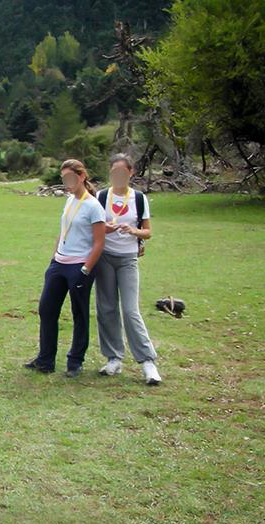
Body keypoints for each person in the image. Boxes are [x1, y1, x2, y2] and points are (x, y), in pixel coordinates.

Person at [25, 159, 106, 377]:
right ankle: (45, 360)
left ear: (82, 176)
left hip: (79, 266)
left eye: (70, 177)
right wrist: (54, 259)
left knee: (79, 313)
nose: (67, 182)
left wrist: (86, 269)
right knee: (47, 309)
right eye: (63, 179)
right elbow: (63, 231)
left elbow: (99, 242)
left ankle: (75, 361)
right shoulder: (70, 200)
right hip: (59, 264)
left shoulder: (93, 206)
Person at [95, 153, 162, 385]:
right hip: (104, 258)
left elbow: (148, 232)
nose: (118, 176)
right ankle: (113, 358)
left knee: (130, 310)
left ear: (131, 172)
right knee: (106, 308)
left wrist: (134, 231)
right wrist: (106, 229)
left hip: (128, 258)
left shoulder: (139, 198)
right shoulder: (102, 196)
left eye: (122, 172)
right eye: (114, 172)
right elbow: (94, 227)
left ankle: (147, 362)